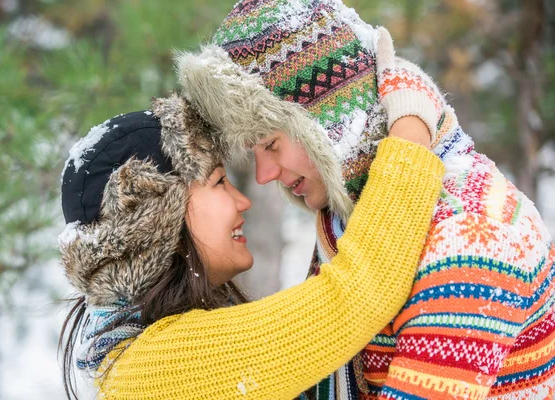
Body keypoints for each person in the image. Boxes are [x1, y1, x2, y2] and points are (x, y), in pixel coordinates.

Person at [177, 0, 555, 398]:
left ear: (331, 121)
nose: (263, 174)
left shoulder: (470, 239)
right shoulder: (357, 214)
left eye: (271, 143)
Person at [58, 93, 444, 399]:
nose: (243, 200)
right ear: (160, 221)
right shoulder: (157, 369)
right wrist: (412, 128)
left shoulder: (136, 356)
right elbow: (355, 296)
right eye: (219, 182)